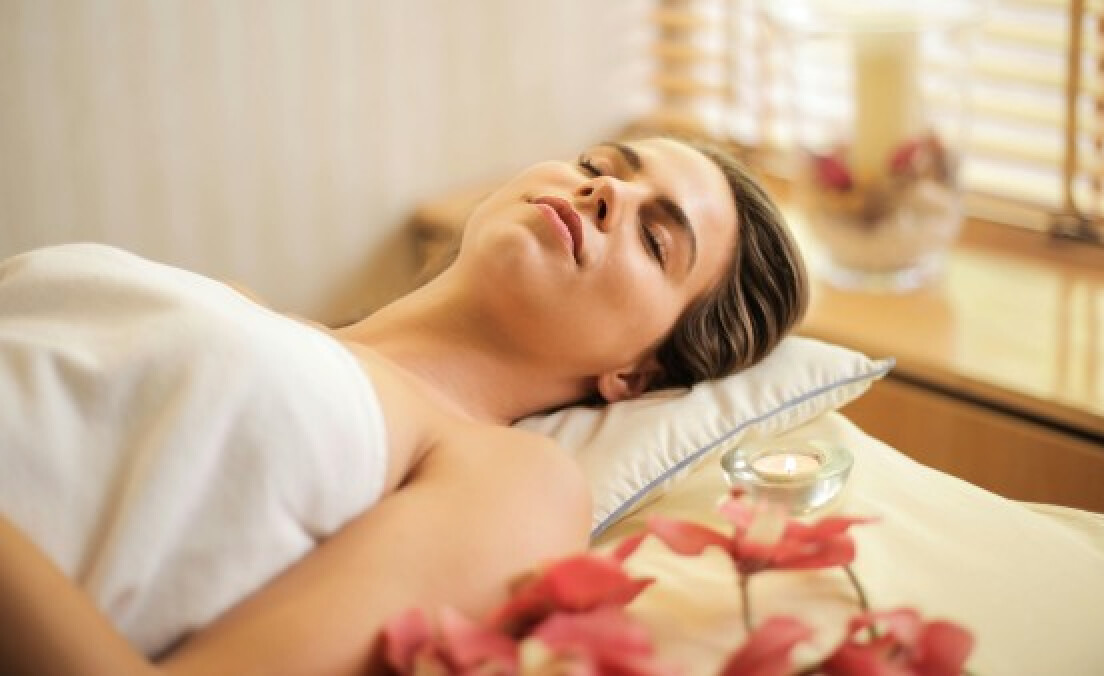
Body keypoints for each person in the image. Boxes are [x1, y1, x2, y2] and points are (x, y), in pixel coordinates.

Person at [0, 135, 808, 675]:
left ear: (633, 376)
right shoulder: (238, 303)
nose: (604, 193)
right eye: (605, 163)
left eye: (655, 239)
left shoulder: (512, 476)